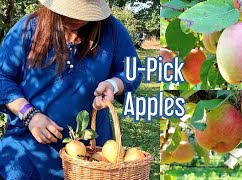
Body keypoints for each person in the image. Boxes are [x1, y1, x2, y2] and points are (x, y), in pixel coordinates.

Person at [0, 0, 142, 179]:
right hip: (27, 152)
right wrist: (29, 115)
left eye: (84, 12)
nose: (77, 18)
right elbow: (2, 78)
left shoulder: (110, 30)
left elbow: (131, 71)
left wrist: (113, 85)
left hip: (90, 157)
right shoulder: (29, 28)